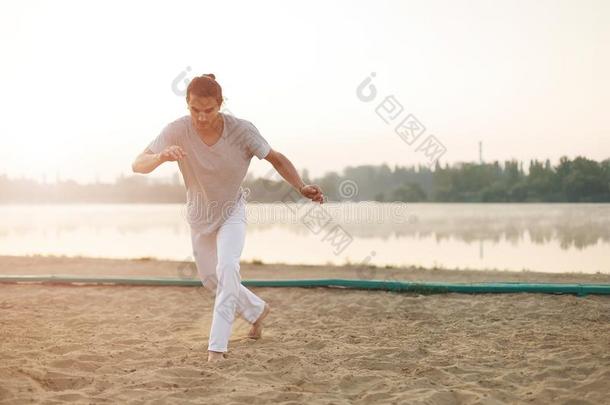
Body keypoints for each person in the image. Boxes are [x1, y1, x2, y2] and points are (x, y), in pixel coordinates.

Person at [131, 73, 324, 362]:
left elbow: (277, 159)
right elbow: (137, 164)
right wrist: (161, 157)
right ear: (188, 105)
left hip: (232, 211)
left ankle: (216, 348)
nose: (202, 117)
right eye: (195, 110)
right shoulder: (176, 130)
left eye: (208, 110)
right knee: (210, 279)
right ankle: (256, 310)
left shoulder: (242, 131)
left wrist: (301, 186)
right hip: (199, 216)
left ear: (221, 105)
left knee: (228, 268)